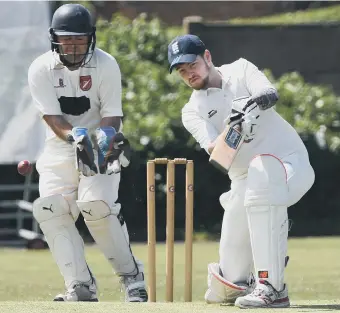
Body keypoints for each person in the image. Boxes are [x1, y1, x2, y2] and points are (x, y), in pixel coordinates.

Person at [167, 34, 315, 308]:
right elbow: (217, 153)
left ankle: (273, 287)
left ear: (208, 57)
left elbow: (269, 94)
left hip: (290, 164)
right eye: (182, 71)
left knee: (262, 174)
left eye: (193, 65)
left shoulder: (241, 69)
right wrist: (234, 127)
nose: (189, 74)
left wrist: (250, 107)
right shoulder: (191, 111)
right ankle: (254, 273)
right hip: (243, 183)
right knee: (229, 286)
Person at [28, 3, 148, 302]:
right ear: (54, 37)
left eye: (79, 38)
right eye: (66, 38)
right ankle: (80, 285)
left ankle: (132, 277)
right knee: (50, 209)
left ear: (90, 37)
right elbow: (53, 119)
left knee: (96, 206)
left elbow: (112, 114)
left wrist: (104, 138)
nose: (72, 45)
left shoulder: (106, 65)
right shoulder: (40, 68)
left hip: (100, 145)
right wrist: (74, 137)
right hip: (60, 146)